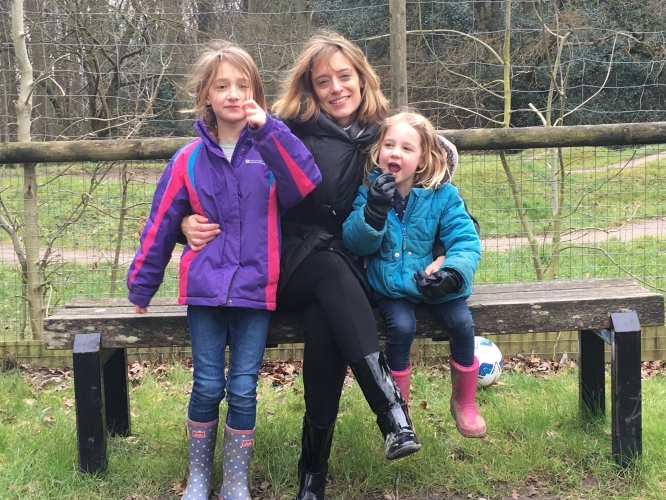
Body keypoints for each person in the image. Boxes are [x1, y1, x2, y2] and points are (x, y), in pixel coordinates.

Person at [181, 31, 421, 500]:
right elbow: (209, 174)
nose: (336, 88)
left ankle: (312, 476)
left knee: (327, 316)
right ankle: (392, 415)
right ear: (309, 88)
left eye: (344, 76)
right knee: (329, 270)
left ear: (362, 78)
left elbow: (433, 179)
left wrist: (447, 251)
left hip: (347, 274)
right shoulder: (283, 128)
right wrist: (184, 223)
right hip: (281, 264)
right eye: (322, 81)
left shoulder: (384, 135)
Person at [126, 41, 321, 500]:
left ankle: (235, 479)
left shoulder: (270, 151)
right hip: (205, 290)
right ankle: (198, 476)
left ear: (256, 94)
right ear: (206, 97)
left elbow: (306, 180)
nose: (233, 94)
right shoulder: (187, 159)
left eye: (242, 85)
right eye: (221, 86)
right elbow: (160, 223)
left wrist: (270, 129)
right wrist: (141, 287)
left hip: (255, 290)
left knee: (244, 388)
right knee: (208, 385)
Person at [342, 111, 485, 438]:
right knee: (402, 327)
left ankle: (464, 401)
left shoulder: (444, 196)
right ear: (378, 151)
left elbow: (464, 240)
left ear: (422, 159)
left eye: (407, 148)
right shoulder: (368, 192)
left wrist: (451, 274)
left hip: (435, 283)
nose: (395, 152)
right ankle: (399, 410)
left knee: (462, 322)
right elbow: (356, 242)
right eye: (389, 145)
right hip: (391, 285)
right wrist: (373, 212)